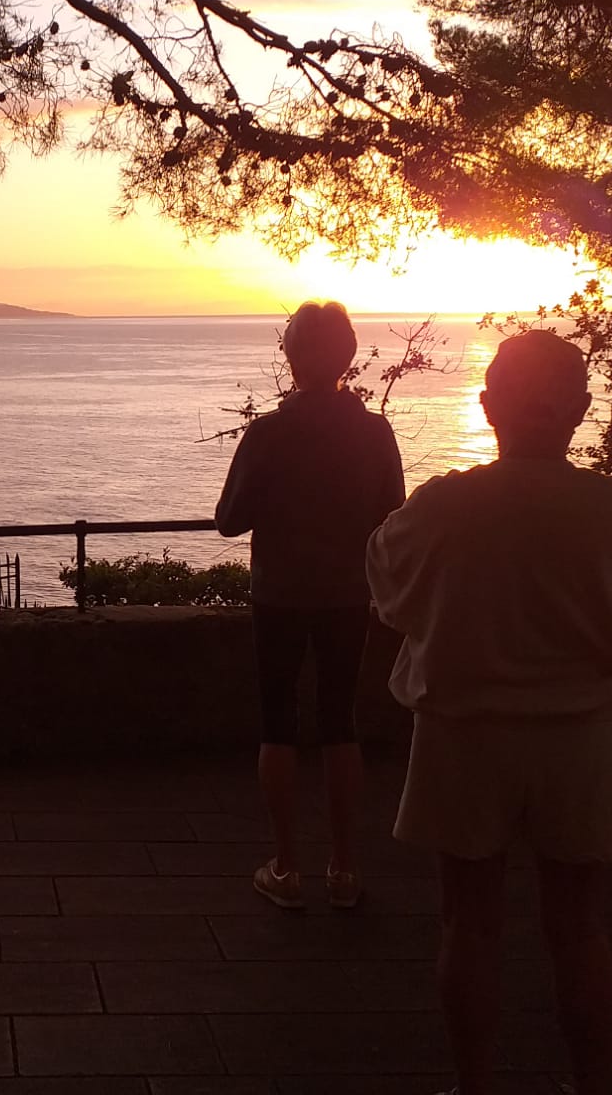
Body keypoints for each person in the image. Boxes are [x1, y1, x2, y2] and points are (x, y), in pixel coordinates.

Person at [366, 331, 612, 1095]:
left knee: (468, 922)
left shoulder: (444, 508)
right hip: (585, 736)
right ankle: (591, 1086)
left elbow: (389, 591)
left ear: (489, 405)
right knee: (580, 927)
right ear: (579, 409)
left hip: (466, 734)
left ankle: (476, 1085)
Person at [215, 300, 407, 910]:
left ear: (292, 358)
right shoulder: (374, 432)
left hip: (279, 593)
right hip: (347, 594)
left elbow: (229, 519)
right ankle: (344, 869)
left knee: (278, 723)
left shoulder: (269, 434)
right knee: (339, 722)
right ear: (347, 358)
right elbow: (394, 515)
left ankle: (287, 867)